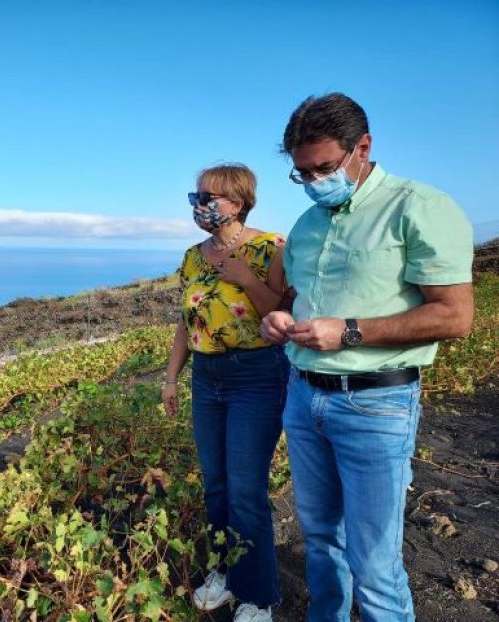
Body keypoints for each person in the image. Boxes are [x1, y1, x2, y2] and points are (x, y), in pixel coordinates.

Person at [261, 93, 474, 621]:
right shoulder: (308, 224)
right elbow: (297, 301)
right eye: (302, 174)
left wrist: (349, 332)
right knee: (319, 540)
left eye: (324, 168)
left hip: (377, 405)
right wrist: (278, 322)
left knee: (375, 561)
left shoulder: (419, 207)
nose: (314, 182)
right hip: (304, 396)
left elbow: (454, 316)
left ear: (364, 147)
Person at [162, 164, 289, 622]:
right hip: (206, 376)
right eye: (195, 195)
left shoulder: (269, 247)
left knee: (246, 491)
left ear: (238, 201)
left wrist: (245, 279)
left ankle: (259, 596)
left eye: (209, 196)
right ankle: (223, 572)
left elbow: (283, 314)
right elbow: (185, 320)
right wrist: (171, 376)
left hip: (256, 374)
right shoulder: (193, 256)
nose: (199, 203)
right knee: (215, 485)